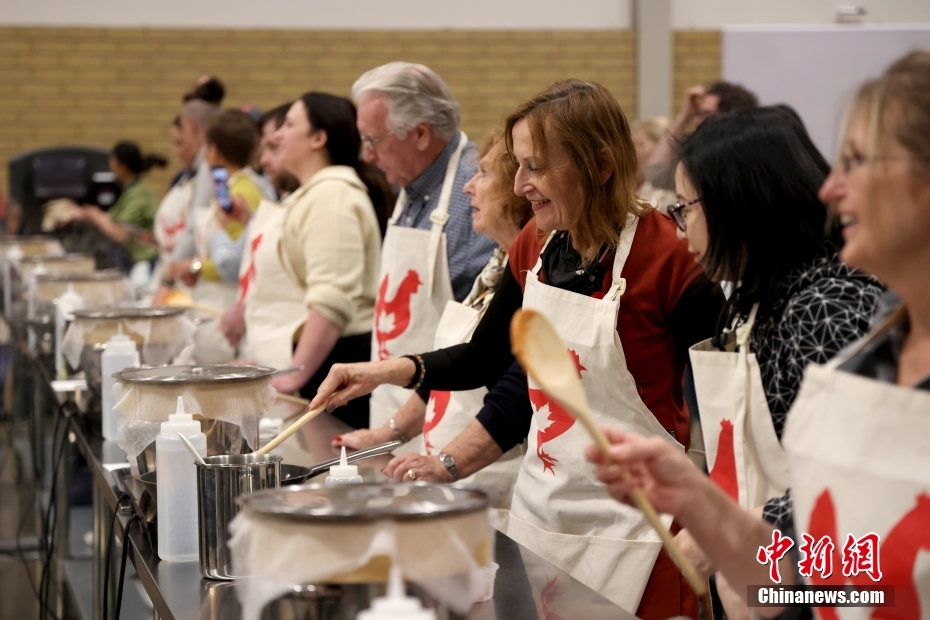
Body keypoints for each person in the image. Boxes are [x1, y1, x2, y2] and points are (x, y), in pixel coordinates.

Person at [311, 80, 726, 618]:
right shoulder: (536, 243)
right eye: (518, 166)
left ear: (600, 165)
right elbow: (483, 361)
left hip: (641, 534)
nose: (521, 184)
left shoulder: (669, 259)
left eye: (536, 166)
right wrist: (380, 373)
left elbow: (720, 416)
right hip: (543, 517)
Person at [588, 50, 930, 619]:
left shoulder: (831, 308)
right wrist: (705, 508)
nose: (830, 189)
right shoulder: (872, 344)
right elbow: (840, 580)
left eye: (857, 161)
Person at [669, 105, 883, 618]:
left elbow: (847, 478)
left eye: (685, 209)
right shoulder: (760, 294)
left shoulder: (827, 309)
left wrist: (733, 533)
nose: (680, 233)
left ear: (740, 204)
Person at [333, 130, 534, 518]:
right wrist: (387, 434)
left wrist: (450, 462)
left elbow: (506, 386)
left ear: (518, 192)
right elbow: (451, 368)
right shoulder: (493, 268)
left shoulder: (529, 277)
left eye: (484, 175)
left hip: (494, 482)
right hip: (448, 476)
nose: (468, 189)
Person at [352, 61, 497, 434]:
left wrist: (394, 430)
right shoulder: (410, 186)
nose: (366, 155)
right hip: (392, 404)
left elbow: (475, 338)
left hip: (452, 420)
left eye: (373, 141)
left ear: (419, 134)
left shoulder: (473, 196)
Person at [269, 92, 384, 429]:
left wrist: (295, 375)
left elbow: (332, 299)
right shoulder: (319, 192)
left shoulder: (332, 195)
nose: (277, 135)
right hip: (330, 356)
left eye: (289, 125)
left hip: (343, 359)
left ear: (318, 138)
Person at [217, 102, 301, 355]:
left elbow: (230, 264)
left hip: (288, 351)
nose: (264, 160)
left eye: (275, 148)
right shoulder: (282, 201)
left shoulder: (316, 205)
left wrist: (219, 233)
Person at [645, 80, 758, 191]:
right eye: (698, 114)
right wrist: (684, 115)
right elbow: (656, 175)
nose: (697, 122)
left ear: (730, 117)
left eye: (705, 114)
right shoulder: (699, 156)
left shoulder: (752, 159)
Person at [77, 141, 166, 272]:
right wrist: (84, 213)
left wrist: (96, 218)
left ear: (123, 166)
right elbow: (111, 218)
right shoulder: (130, 191)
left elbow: (120, 235)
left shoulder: (139, 194)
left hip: (148, 264)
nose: (110, 166)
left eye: (113, 161)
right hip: (138, 263)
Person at [631, 116, 676, 212]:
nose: (635, 151)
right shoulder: (635, 187)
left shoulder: (671, 195)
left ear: (661, 147)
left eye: (641, 144)